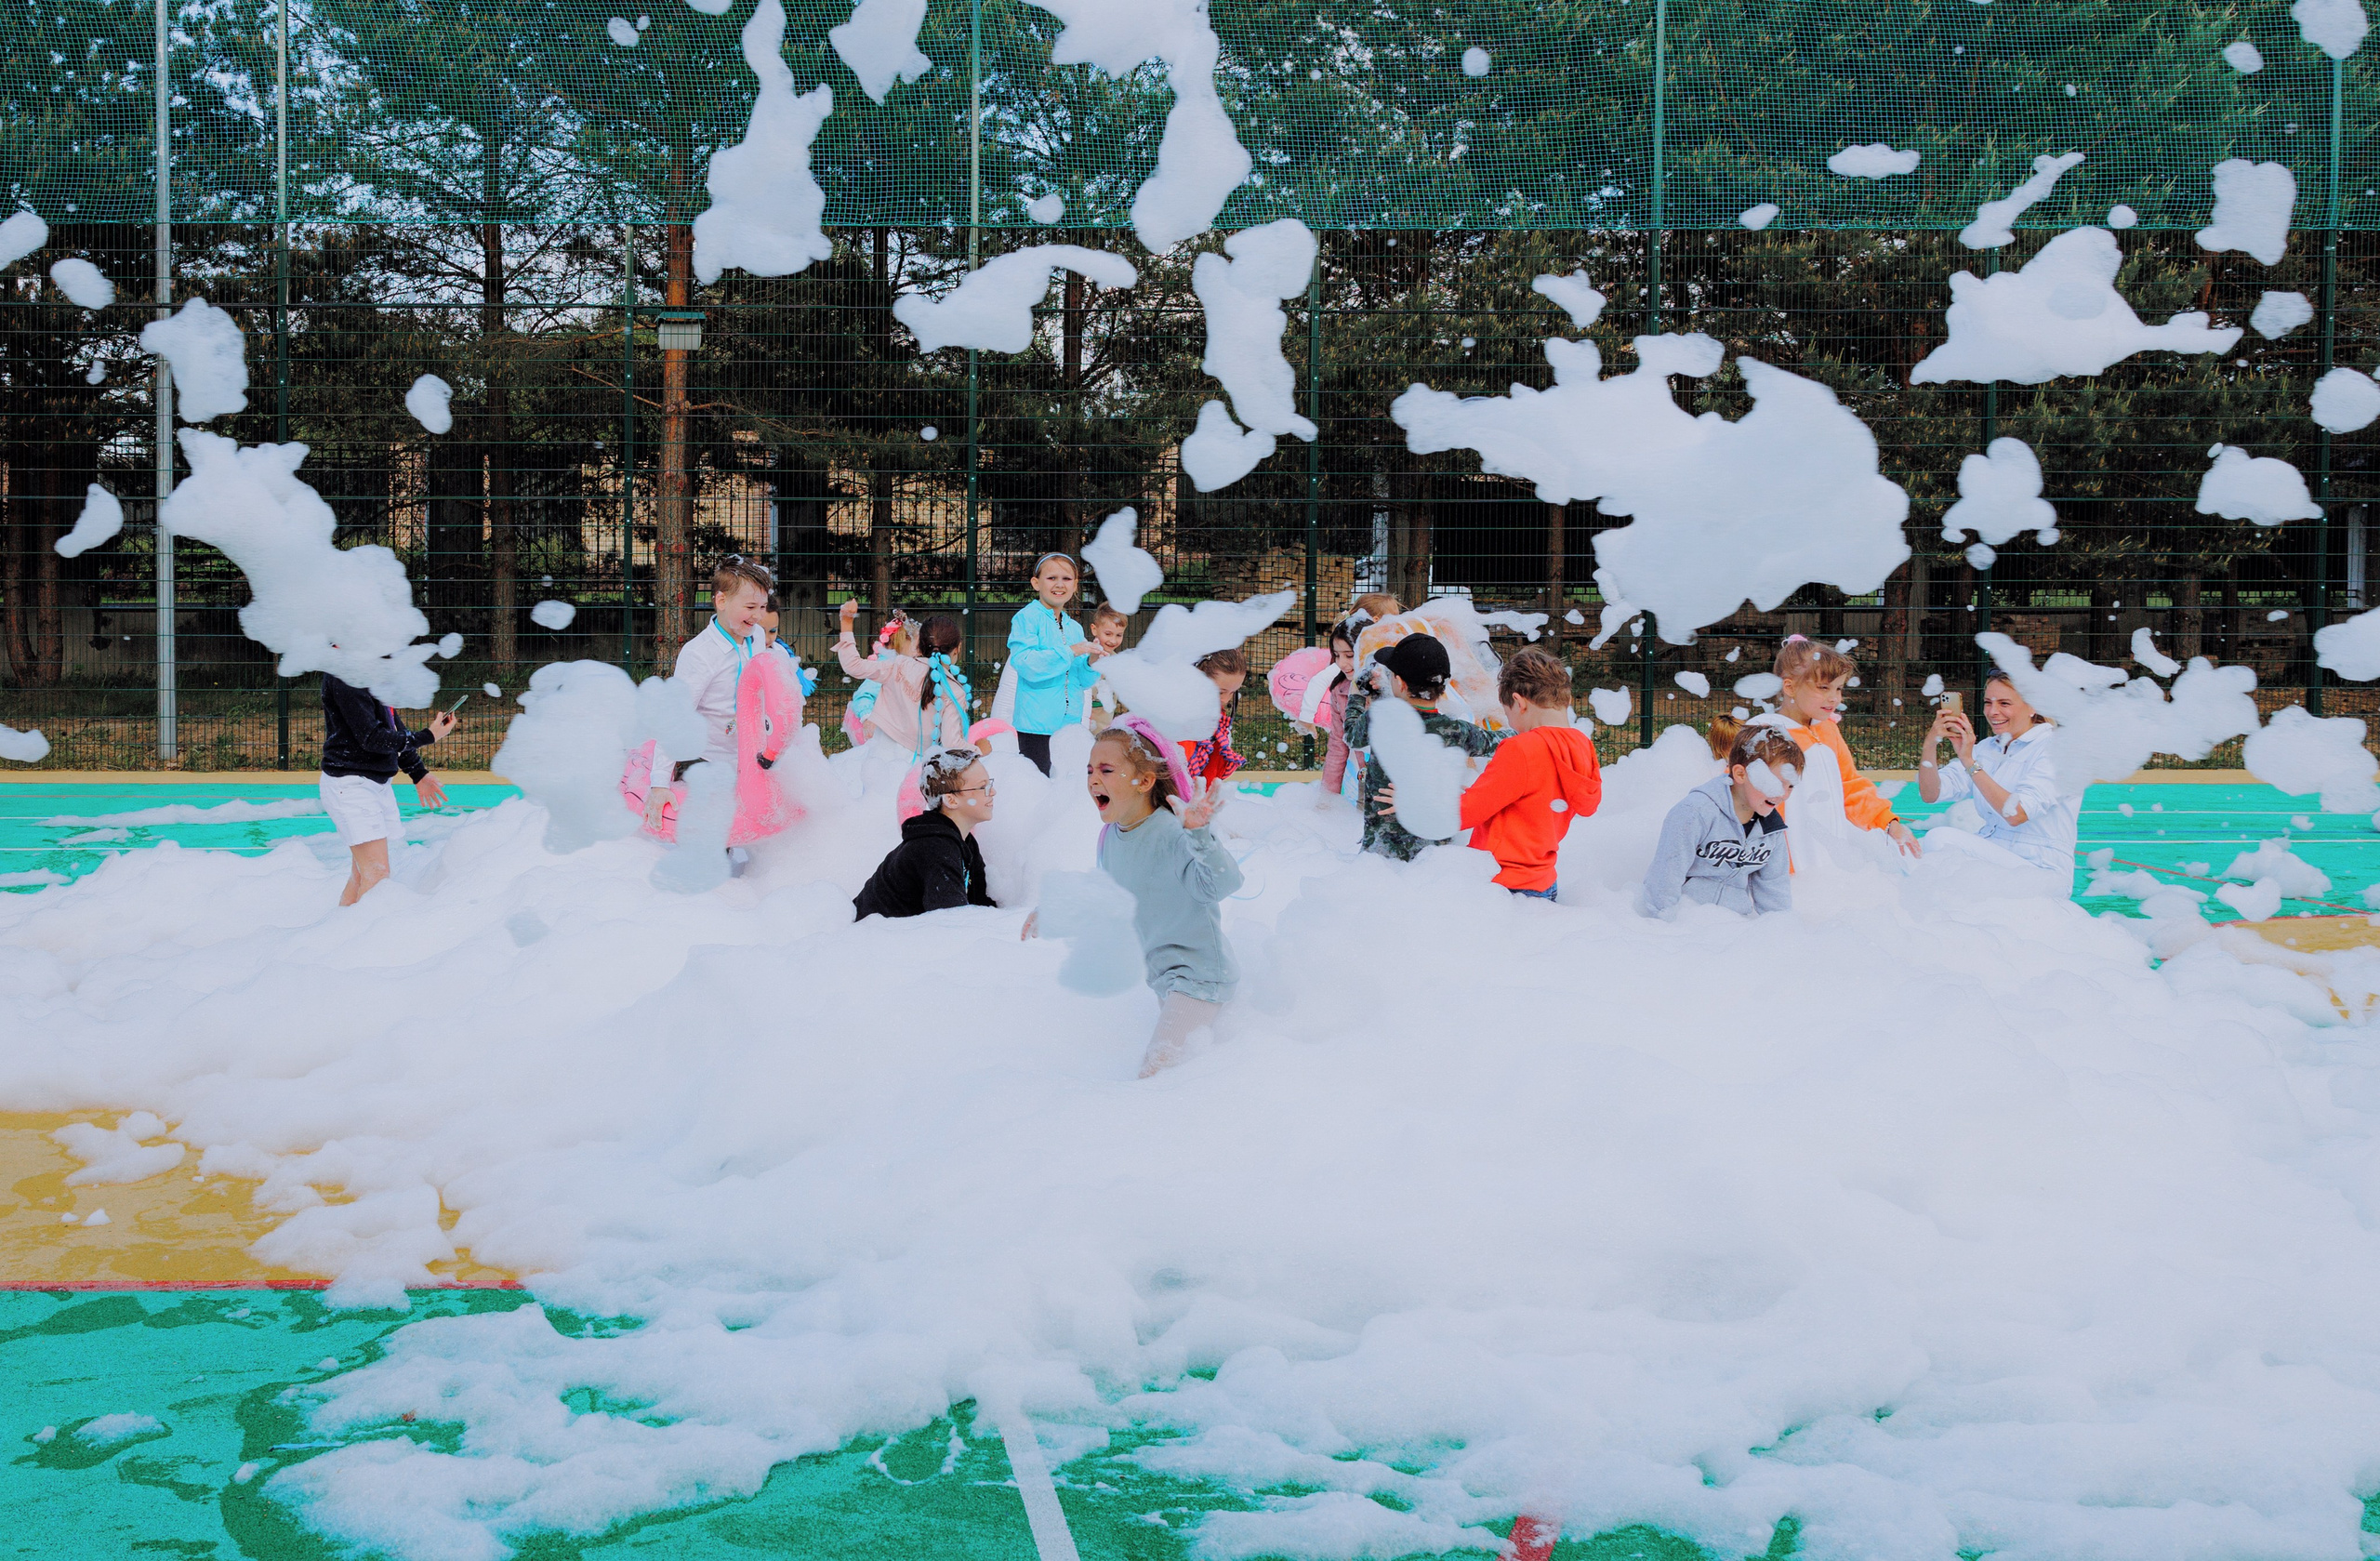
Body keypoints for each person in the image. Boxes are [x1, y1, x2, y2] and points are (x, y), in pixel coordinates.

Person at [1083, 715, 1242, 1078]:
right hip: (1163, 977)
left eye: (1107, 770)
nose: (1093, 779)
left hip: (1200, 977)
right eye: (1090, 770)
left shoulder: (1173, 832)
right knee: (1183, 1075)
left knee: (1155, 1075)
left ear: (1145, 780)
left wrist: (1201, 835)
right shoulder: (1112, 838)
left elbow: (1223, 884)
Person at [1453, 648, 1601, 901]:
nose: (1510, 724)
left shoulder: (1521, 749)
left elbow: (1465, 812)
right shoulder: (1583, 746)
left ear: (1519, 703)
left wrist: (1418, 803)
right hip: (1544, 882)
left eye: (1507, 713)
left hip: (1503, 884)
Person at [1342, 632, 1499, 860]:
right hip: (1434, 857)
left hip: (1380, 855)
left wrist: (1360, 694)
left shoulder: (1380, 720)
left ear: (1400, 683)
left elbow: (1351, 736)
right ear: (1444, 686)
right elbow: (1501, 741)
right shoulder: (1458, 731)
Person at [646, 555, 774, 827]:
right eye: (750, 606)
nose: (758, 615)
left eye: (763, 606)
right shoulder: (699, 654)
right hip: (707, 758)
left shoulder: (757, 637)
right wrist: (659, 782)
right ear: (721, 601)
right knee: (717, 832)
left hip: (747, 753)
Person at [1772, 635, 1920, 857]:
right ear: (1790, 687)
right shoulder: (1768, 734)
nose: (1834, 698)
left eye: (1839, 689)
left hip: (1826, 856)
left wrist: (1887, 821)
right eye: (1824, 688)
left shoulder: (1827, 730)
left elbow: (1849, 785)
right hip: (1784, 859)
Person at [319, 671, 457, 906]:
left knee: (363, 874)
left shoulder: (366, 669)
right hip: (350, 786)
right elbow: (371, 738)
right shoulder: (346, 675)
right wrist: (428, 736)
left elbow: (392, 728)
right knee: (377, 876)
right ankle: (363, 939)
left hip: (369, 784)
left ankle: (341, 933)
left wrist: (418, 772)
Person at [1916, 674, 2077, 873]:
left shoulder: (2058, 749)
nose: (1993, 712)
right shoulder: (1987, 748)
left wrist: (1969, 761)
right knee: (1911, 852)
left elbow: (2016, 813)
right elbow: (1931, 794)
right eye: (1988, 703)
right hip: (1995, 856)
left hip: (2039, 869)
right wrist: (1930, 744)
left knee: (1938, 839)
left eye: (2004, 703)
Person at [1640, 721, 1799, 918]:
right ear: (1741, 774)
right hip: (1683, 917)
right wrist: (1663, 922)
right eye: (1775, 783)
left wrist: (1781, 930)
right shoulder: (1695, 812)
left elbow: (1775, 890)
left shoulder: (1771, 829)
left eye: (1791, 786)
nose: (1783, 794)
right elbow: (1666, 875)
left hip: (1731, 923)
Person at [852, 747, 999, 918]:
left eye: (990, 784)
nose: (992, 792)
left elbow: (982, 906)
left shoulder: (965, 842)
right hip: (867, 937)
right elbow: (951, 922)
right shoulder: (936, 850)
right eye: (983, 787)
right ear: (951, 800)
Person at [1007, 552, 1106, 776]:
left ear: (1075, 585)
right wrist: (1070, 651)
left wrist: (1092, 661)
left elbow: (1080, 680)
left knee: (1066, 786)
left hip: (1070, 725)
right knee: (1037, 786)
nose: (1059, 585)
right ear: (1036, 583)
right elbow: (1026, 664)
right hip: (1036, 727)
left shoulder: (1074, 628)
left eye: (1067, 579)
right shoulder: (1026, 618)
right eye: (1052, 578)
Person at [836, 600, 969, 756]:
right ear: (958, 648)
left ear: (919, 644)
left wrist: (846, 622)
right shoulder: (955, 692)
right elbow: (952, 744)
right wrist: (979, 749)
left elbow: (853, 665)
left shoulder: (896, 666)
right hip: (920, 765)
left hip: (880, 759)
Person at [1183, 648, 1248, 783]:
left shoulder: (1217, 720)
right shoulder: (1174, 718)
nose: (1226, 700)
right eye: (1220, 692)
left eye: (1233, 692)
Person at [1317, 619, 1359, 796]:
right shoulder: (1339, 690)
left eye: (1349, 655)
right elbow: (1338, 744)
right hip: (1361, 780)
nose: (1341, 663)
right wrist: (1327, 797)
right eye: (1337, 655)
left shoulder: (1391, 687)